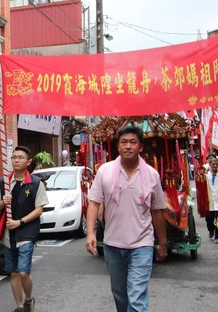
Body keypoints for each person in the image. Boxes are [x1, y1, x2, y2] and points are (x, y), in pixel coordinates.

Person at [85, 126, 167, 312]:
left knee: (137, 298)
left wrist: (162, 242)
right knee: (120, 294)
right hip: (113, 244)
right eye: (124, 142)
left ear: (140, 147)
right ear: (118, 147)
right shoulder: (104, 171)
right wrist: (90, 233)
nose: (128, 146)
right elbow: (94, 203)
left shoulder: (152, 175)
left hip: (142, 244)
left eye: (133, 142)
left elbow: (157, 211)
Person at [0, 145, 48, 312]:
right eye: (14, 157)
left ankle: (29, 299)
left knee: (23, 272)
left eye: (20, 157)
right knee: (14, 273)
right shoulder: (4, 182)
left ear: (29, 161)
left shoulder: (36, 183)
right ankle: (19, 306)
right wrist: (3, 202)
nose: (16, 160)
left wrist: (20, 222)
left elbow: (39, 209)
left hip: (27, 231)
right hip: (8, 233)